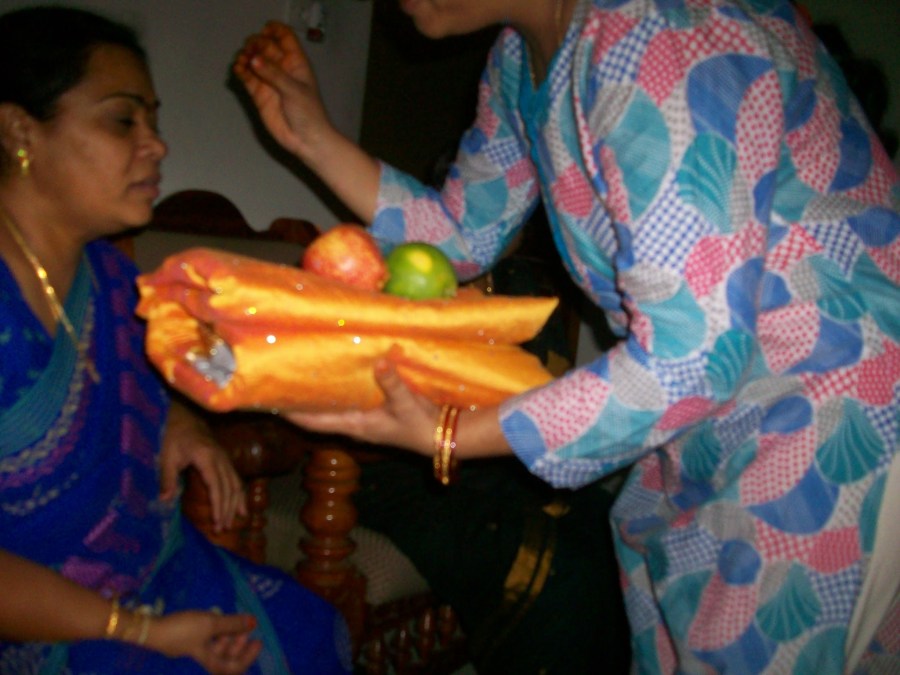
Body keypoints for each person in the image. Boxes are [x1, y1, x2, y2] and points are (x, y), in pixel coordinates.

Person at [234, 0, 899, 673]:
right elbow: (464, 234)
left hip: (832, 410)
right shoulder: (518, 59)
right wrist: (315, 138)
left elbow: (691, 361)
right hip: (709, 419)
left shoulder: (660, 28)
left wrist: (449, 433)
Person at [0, 7, 351, 674]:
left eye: (154, 121)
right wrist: (142, 631)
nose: (157, 145)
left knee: (309, 628)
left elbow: (148, 379)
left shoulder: (109, 277)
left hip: (153, 572)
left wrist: (182, 425)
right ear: (20, 130)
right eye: (122, 120)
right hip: (44, 629)